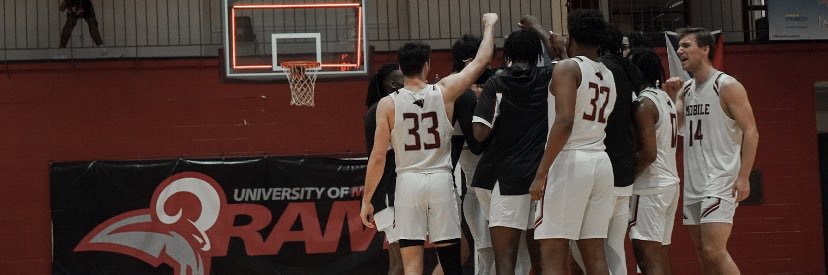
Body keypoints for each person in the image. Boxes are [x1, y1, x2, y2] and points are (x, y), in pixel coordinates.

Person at [361, 13, 499, 275]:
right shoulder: (445, 91)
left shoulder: (387, 105)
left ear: (401, 67)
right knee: (450, 263)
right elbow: (481, 61)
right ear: (427, 64)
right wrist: (489, 26)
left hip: (408, 182)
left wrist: (367, 199)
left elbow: (378, 157)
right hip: (440, 181)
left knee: (411, 266)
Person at [663, 27, 759, 275]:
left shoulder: (726, 85)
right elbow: (677, 127)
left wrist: (744, 176)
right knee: (703, 253)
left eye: (686, 45)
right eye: (679, 46)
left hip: (720, 178)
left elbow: (751, 132)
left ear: (705, 49)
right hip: (694, 181)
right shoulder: (686, 90)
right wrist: (671, 97)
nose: (679, 50)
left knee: (715, 250)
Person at [471, 15, 561, 274]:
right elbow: (564, 59)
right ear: (537, 54)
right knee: (541, 259)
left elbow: (479, 133)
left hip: (507, 178)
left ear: (507, 54)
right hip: (543, 178)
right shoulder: (551, 76)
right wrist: (538, 29)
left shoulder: (497, 82)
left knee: (506, 257)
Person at [529, 9, 615, 275]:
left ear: (572, 36)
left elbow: (564, 121)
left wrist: (541, 174)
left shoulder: (567, 68)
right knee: (595, 255)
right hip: (600, 163)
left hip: (569, 162)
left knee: (553, 253)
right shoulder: (607, 73)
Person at [628, 48, 679, 275]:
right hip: (669, 184)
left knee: (646, 259)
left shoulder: (643, 103)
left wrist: (625, 178)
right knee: (659, 255)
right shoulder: (665, 98)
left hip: (650, 188)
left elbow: (648, 154)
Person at [448, 34, 493, 275]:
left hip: (482, 189)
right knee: (487, 255)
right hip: (477, 189)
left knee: (489, 256)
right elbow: (476, 143)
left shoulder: (447, 86)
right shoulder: (459, 91)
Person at [364, 63, 405, 275]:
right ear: (391, 83)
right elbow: (379, 157)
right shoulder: (382, 109)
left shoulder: (385, 107)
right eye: (403, 77)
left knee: (400, 262)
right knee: (402, 264)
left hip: (393, 192)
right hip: (389, 191)